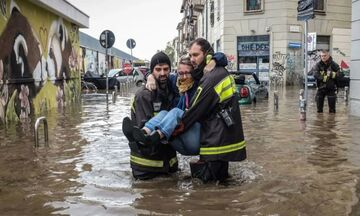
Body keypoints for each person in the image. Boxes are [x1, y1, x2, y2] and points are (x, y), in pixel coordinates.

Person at [173, 38, 247, 182]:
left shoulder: (211, 77)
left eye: (195, 55)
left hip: (215, 140)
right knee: (222, 184)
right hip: (222, 137)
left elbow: (196, 109)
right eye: (190, 56)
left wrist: (176, 129)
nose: (192, 59)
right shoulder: (217, 71)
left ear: (207, 54)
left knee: (209, 189)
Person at [122, 51, 178, 180]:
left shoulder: (172, 89)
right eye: (158, 69)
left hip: (168, 163)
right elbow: (141, 129)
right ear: (152, 71)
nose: (162, 73)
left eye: (166, 69)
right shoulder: (144, 95)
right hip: (146, 165)